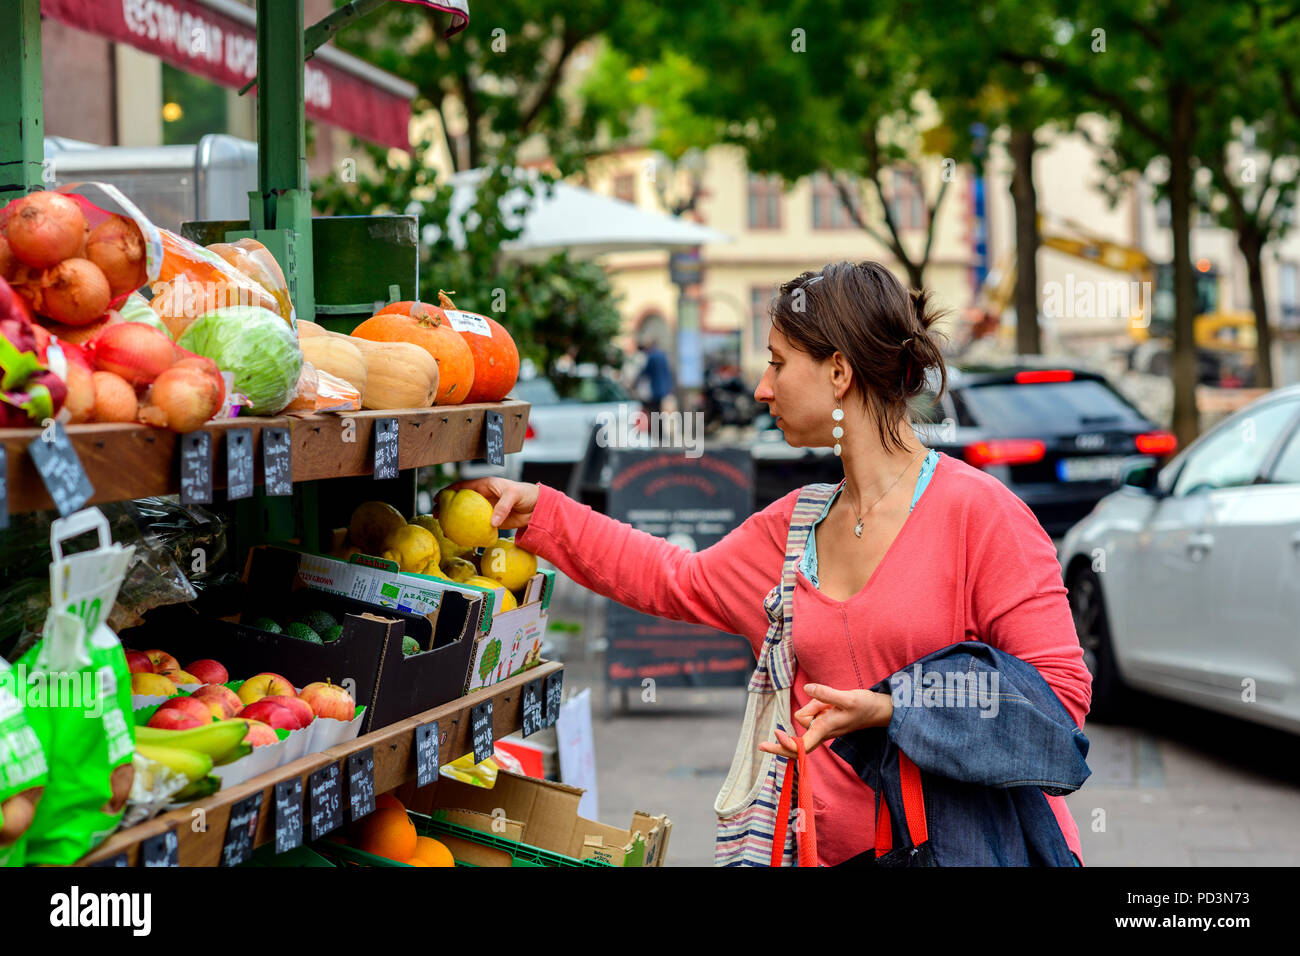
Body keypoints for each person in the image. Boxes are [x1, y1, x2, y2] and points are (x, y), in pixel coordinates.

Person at [450, 260, 1092, 867]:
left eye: (778, 364)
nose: (762, 388)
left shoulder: (984, 517)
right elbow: (677, 579)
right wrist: (540, 510)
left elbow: (1059, 700)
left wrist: (892, 709)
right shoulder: (795, 527)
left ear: (838, 373)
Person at [635, 337, 675, 415]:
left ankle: (658, 426)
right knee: (664, 411)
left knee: (656, 410)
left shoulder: (651, 357)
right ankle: (661, 426)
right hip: (666, 387)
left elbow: (645, 372)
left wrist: (636, 380)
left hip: (656, 388)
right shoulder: (663, 355)